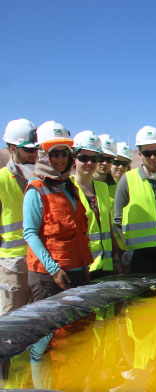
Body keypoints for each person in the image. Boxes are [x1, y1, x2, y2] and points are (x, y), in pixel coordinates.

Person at [23, 121, 91, 299]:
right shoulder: (36, 188)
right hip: (48, 278)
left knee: (79, 326)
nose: (61, 159)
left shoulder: (70, 188)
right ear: (45, 156)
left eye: (64, 154)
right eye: (55, 154)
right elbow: (30, 233)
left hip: (76, 271)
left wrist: (83, 266)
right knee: (53, 327)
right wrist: (54, 270)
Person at [113, 125, 156, 274]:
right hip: (140, 256)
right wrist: (125, 249)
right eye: (147, 153)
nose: (152, 157)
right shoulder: (127, 180)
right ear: (139, 154)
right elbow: (117, 219)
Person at [0, 119, 38, 312]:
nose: (35, 155)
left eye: (36, 149)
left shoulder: (38, 179)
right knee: (12, 324)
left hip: (37, 265)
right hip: (13, 268)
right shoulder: (1, 181)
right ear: (13, 148)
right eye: (29, 150)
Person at [71, 131, 115, 279]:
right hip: (80, 267)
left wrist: (116, 258)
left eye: (94, 158)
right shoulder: (66, 188)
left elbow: (108, 225)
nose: (89, 163)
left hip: (105, 266)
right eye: (84, 158)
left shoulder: (102, 188)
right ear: (74, 158)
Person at [95, 134, 119, 205]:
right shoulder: (82, 185)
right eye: (101, 158)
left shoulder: (118, 189)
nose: (105, 163)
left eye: (109, 159)